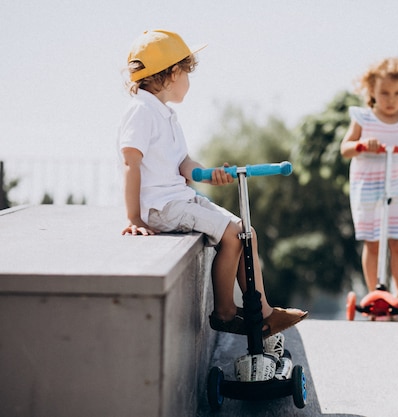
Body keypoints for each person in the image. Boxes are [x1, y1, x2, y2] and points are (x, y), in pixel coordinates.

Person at [117, 29, 307, 337]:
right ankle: (225, 312)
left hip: (179, 199)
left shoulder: (166, 115)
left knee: (246, 232)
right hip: (160, 206)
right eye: (187, 75)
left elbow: (184, 164)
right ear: (173, 73)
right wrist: (134, 217)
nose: (188, 83)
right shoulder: (141, 111)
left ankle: (266, 313)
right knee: (232, 234)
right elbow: (131, 162)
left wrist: (211, 174)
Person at [340, 57, 398, 300]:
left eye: (397, 93)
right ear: (371, 91)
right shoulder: (364, 118)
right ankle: (375, 296)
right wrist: (362, 145)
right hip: (368, 182)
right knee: (372, 242)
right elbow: (345, 148)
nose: (391, 99)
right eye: (384, 93)